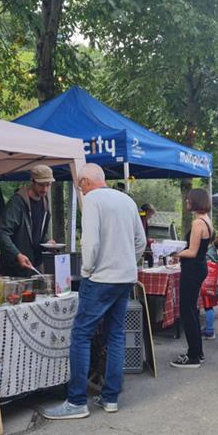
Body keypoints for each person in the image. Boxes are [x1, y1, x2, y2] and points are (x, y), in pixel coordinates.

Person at [42, 164, 146, 419]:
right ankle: (110, 398)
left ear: (87, 181)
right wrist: (128, 263)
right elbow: (140, 242)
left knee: (81, 335)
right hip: (124, 278)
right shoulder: (127, 201)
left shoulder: (92, 201)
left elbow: (90, 242)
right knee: (116, 335)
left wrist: (87, 271)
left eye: (80, 185)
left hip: (100, 278)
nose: (80, 190)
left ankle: (77, 401)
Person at [170, 189, 213, 369]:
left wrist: (175, 253)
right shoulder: (207, 220)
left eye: (188, 200)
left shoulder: (197, 223)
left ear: (194, 202)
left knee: (187, 311)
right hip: (199, 266)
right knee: (192, 310)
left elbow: (192, 251)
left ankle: (193, 355)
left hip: (193, 268)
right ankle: (198, 351)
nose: (186, 202)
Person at [0, 165, 55, 277]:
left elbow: (36, 234)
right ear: (32, 181)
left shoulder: (45, 203)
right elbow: (2, 234)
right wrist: (17, 255)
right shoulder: (17, 203)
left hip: (35, 267)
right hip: (13, 270)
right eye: (41, 185)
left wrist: (47, 243)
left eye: (48, 185)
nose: (45, 189)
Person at [200, 235, 218, 342]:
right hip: (215, 283)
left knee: (208, 306)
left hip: (208, 283)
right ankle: (208, 328)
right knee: (209, 306)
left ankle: (210, 331)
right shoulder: (213, 249)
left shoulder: (207, 252)